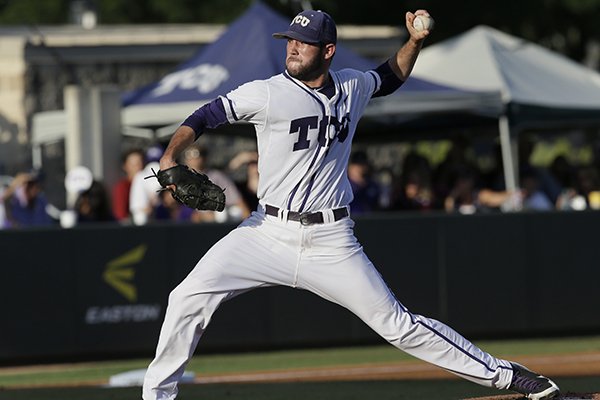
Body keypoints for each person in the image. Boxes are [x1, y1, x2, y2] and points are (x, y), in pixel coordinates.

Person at [142, 9, 559, 400]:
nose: (292, 47)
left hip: (331, 240)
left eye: (303, 42)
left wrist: (414, 41)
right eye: (290, 40)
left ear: (327, 51)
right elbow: (206, 115)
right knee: (187, 298)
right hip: (265, 233)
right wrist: (170, 155)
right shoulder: (267, 93)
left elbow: (390, 76)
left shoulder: (352, 86)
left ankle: (511, 376)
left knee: (398, 324)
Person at [182, 144, 250, 223]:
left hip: (214, 224)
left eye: (196, 154)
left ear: (204, 158)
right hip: (183, 222)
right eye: (188, 155)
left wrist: (248, 223)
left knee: (227, 214)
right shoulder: (180, 179)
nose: (193, 159)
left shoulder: (216, 176)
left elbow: (239, 202)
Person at [112, 148, 145, 223]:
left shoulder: (149, 184)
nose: (138, 167)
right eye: (134, 164)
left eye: (140, 163)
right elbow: (120, 216)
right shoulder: (122, 187)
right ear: (125, 166)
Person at [347, 150, 381, 214]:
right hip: (350, 221)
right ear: (350, 166)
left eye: (362, 164)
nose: (359, 168)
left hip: (370, 221)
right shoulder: (345, 186)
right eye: (357, 164)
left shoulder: (373, 186)